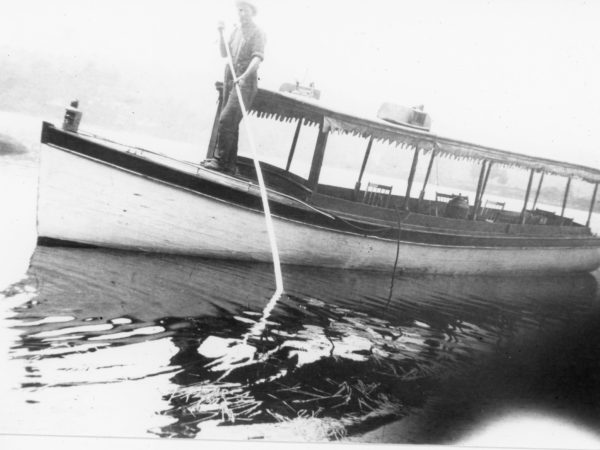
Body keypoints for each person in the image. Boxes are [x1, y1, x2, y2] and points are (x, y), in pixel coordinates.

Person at [202, 0, 266, 174]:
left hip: (245, 84)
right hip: (230, 80)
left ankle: (219, 161)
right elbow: (224, 53)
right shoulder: (236, 31)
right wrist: (221, 33)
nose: (241, 14)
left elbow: (257, 59)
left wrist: (244, 77)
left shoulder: (258, 33)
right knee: (231, 124)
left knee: (226, 120)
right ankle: (229, 165)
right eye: (239, 11)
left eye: (244, 11)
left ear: (252, 12)